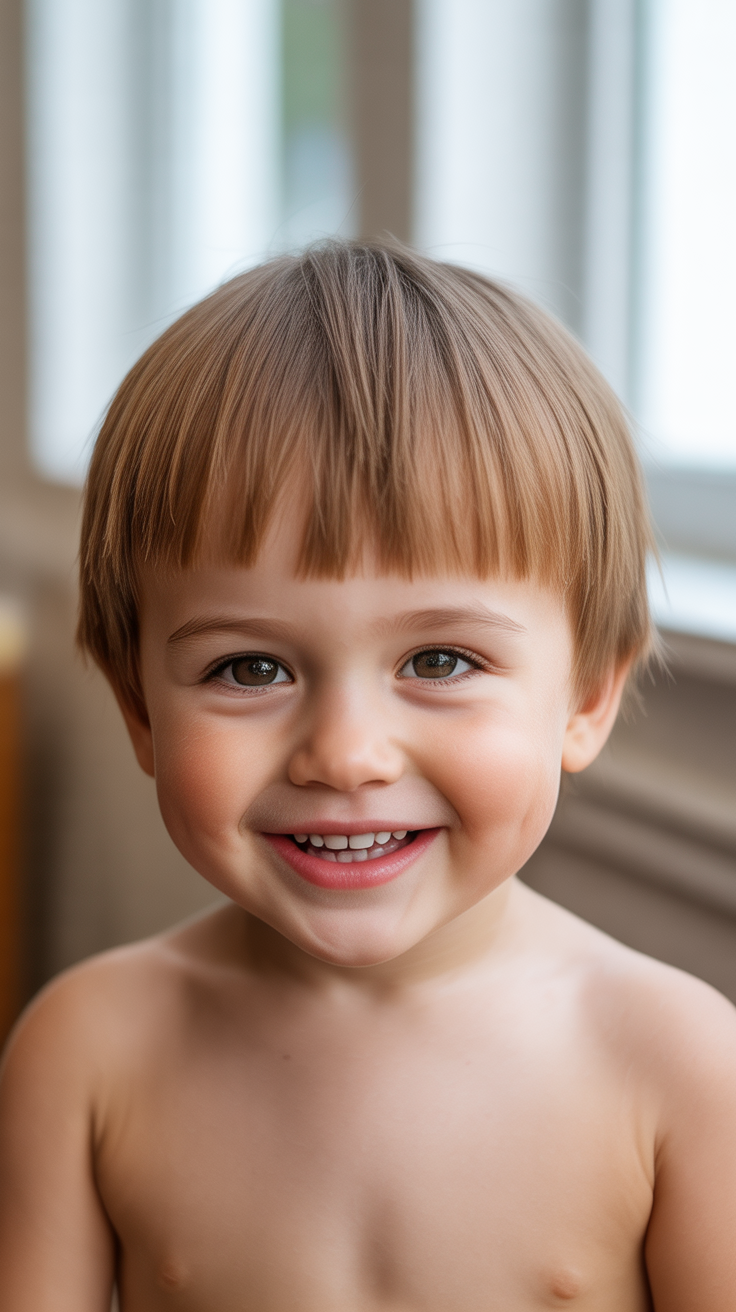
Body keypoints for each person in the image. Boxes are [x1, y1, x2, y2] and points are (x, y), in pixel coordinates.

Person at [1, 241, 735, 1311]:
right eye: (250, 668)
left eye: (438, 661)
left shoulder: (680, 1068)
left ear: (585, 698)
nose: (345, 754)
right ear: (139, 708)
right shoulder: (86, 1054)